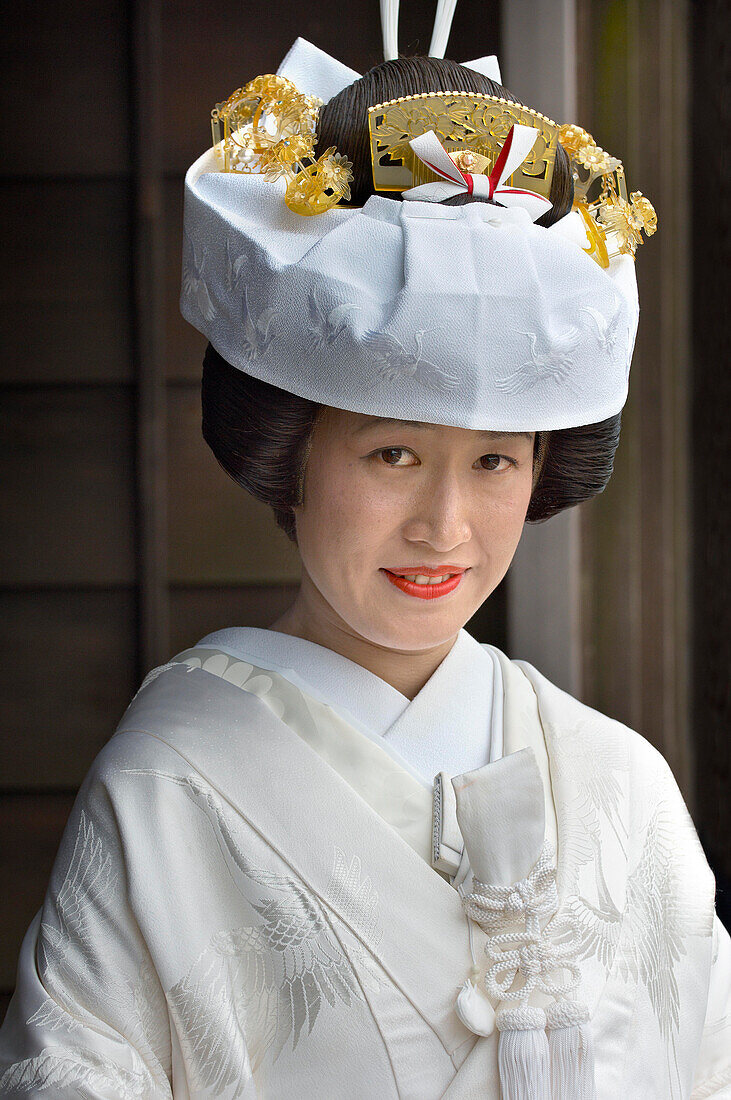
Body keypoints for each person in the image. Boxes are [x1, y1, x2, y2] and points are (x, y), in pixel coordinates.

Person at [1, 10, 729, 1099]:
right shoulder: (168, 785)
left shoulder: (619, 782)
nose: (444, 526)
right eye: (392, 452)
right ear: (289, 451)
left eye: (494, 462)